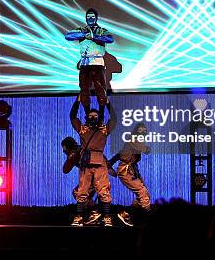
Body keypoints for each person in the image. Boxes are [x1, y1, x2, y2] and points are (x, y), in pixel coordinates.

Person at [69, 94, 117, 227]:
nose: (93, 117)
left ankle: (107, 217)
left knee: (103, 190)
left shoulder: (104, 130)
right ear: (87, 117)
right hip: (85, 163)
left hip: (100, 163)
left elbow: (114, 118)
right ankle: (78, 217)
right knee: (82, 190)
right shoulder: (83, 129)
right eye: (90, 116)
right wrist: (77, 101)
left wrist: (107, 103)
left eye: (95, 116)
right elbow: (73, 117)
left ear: (99, 118)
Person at [65, 8, 114, 121]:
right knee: (84, 89)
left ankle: (101, 116)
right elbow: (68, 36)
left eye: (92, 17)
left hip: (98, 63)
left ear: (96, 18)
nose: (90, 19)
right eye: (88, 17)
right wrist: (83, 34)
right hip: (85, 64)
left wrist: (94, 36)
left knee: (101, 90)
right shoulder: (82, 29)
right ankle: (88, 114)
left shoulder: (101, 30)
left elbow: (110, 39)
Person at [108, 122, 151, 227]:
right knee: (142, 191)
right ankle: (150, 218)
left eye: (144, 131)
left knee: (143, 194)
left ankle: (127, 214)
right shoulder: (133, 140)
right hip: (125, 170)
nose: (142, 133)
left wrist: (110, 162)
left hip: (131, 169)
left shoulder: (133, 141)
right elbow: (147, 150)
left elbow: (120, 153)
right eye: (140, 130)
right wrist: (109, 164)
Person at [61, 136, 101, 225]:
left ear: (68, 147)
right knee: (85, 198)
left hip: (94, 176)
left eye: (64, 148)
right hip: (96, 175)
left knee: (77, 193)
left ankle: (95, 212)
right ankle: (93, 218)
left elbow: (65, 170)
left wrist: (70, 159)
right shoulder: (82, 149)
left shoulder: (75, 153)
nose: (64, 151)